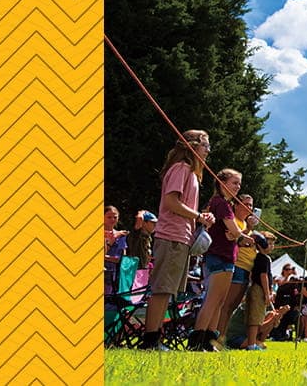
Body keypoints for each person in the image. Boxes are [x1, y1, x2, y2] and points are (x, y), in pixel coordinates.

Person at [138, 129, 216, 350]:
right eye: (206, 145)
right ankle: (150, 341)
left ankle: (155, 338)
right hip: (171, 236)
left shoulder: (191, 173)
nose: (208, 150)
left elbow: (183, 206)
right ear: (192, 146)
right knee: (162, 289)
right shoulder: (181, 168)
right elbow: (171, 202)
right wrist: (198, 216)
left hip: (181, 238)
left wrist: (201, 216)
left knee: (168, 290)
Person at [190, 168, 246, 351]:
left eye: (239, 183)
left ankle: (209, 338)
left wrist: (237, 234)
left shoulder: (220, 203)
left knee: (219, 301)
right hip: (220, 256)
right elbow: (235, 230)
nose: (238, 187)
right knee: (213, 300)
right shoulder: (221, 203)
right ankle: (198, 340)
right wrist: (240, 234)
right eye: (234, 183)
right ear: (222, 183)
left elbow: (234, 232)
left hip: (222, 257)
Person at [216, 193, 258, 347]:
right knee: (227, 305)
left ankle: (222, 338)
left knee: (232, 307)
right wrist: (249, 230)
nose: (250, 207)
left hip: (246, 268)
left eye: (251, 205)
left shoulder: (244, 223)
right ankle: (218, 338)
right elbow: (234, 240)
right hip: (237, 266)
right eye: (246, 203)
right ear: (237, 204)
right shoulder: (233, 220)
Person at [243, 232, 274, 350]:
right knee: (255, 318)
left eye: (272, 244)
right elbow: (263, 276)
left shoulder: (261, 258)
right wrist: (267, 293)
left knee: (257, 317)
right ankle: (251, 344)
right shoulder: (262, 258)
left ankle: (252, 342)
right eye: (269, 243)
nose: (271, 246)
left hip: (257, 288)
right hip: (259, 289)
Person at [103, 206, 128, 294]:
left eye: (115, 217)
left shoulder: (121, 235)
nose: (112, 219)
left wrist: (105, 257)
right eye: (109, 217)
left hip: (114, 275)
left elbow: (121, 258)